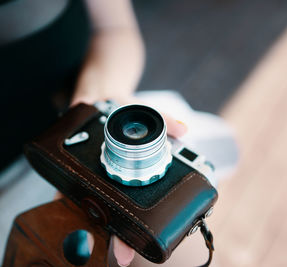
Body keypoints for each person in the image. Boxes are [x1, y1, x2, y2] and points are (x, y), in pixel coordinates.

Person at [0, 0, 204, 266]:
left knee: (180, 256)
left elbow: (114, 29)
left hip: (76, 132)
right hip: (15, 172)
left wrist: (95, 105)